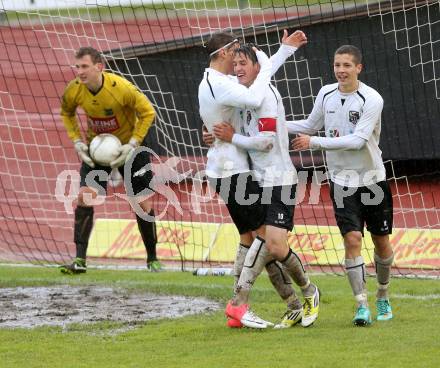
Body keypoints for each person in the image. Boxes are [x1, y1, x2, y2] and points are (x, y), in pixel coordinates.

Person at [199, 31, 309, 329]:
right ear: (223, 53)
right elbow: (256, 93)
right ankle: (242, 305)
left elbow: (259, 79)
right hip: (233, 172)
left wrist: (281, 53)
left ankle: (290, 304)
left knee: (252, 240)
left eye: (243, 59)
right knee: (264, 240)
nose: (237, 63)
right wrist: (277, 54)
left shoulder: (222, 82)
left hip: (238, 171)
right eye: (234, 54)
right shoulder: (222, 84)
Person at [290, 45, 394, 326]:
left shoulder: (371, 98)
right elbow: (310, 125)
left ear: (358, 68)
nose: (341, 70)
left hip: (372, 181)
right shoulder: (326, 93)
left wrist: (315, 143)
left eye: (347, 65)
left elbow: (358, 141)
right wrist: (275, 125)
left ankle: (382, 295)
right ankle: (361, 305)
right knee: (352, 239)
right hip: (341, 182)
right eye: (337, 65)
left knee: (381, 242)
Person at [59, 46, 163, 274]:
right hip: (98, 151)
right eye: (77, 67)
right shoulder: (74, 90)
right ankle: (79, 260)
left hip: (131, 149)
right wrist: (77, 141)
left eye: (84, 66)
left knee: (143, 204)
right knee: (85, 198)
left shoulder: (121, 88)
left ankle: (153, 260)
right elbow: (66, 112)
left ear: (99, 67)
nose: (80, 72)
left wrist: (134, 143)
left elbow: (148, 112)